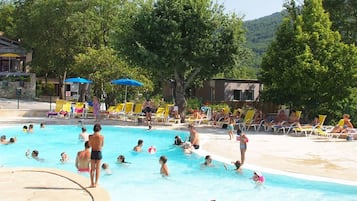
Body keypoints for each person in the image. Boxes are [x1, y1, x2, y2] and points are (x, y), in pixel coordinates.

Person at [88, 123, 104, 188]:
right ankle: (96, 183)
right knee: (98, 169)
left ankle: (92, 183)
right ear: (99, 129)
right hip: (98, 152)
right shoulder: (101, 137)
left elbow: (90, 145)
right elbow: (102, 145)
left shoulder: (90, 136)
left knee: (92, 169)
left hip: (93, 152)